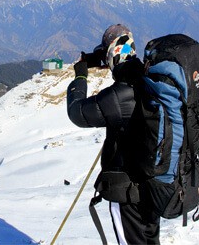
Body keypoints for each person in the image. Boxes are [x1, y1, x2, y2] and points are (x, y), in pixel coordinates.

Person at [66, 24, 161, 245]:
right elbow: (118, 55)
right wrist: (97, 57)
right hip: (154, 183)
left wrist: (80, 77)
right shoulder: (150, 80)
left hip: (126, 189)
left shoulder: (118, 95)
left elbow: (77, 113)